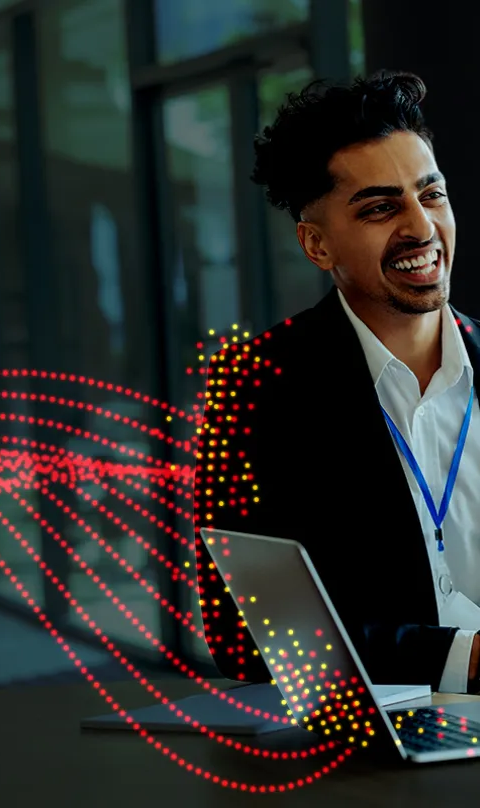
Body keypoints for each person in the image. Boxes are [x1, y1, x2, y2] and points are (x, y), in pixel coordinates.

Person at [193, 69, 480, 695]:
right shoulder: (257, 389)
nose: (422, 227)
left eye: (431, 195)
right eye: (380, 208)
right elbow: (244, 634)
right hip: (378, 734)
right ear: (316, 245)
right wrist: (464, 659)